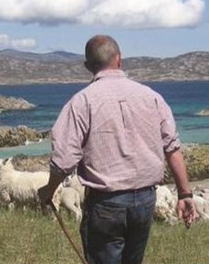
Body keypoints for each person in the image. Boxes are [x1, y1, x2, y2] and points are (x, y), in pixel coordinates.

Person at [37, 35, 198, 264]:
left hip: (106, 203)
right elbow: (172, 147)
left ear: (87, 67)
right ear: (119, 59)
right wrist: (185, 194)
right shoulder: (152, 97)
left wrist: (49, 189)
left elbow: (64, 159)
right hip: (144, 200)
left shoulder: (82, 102)